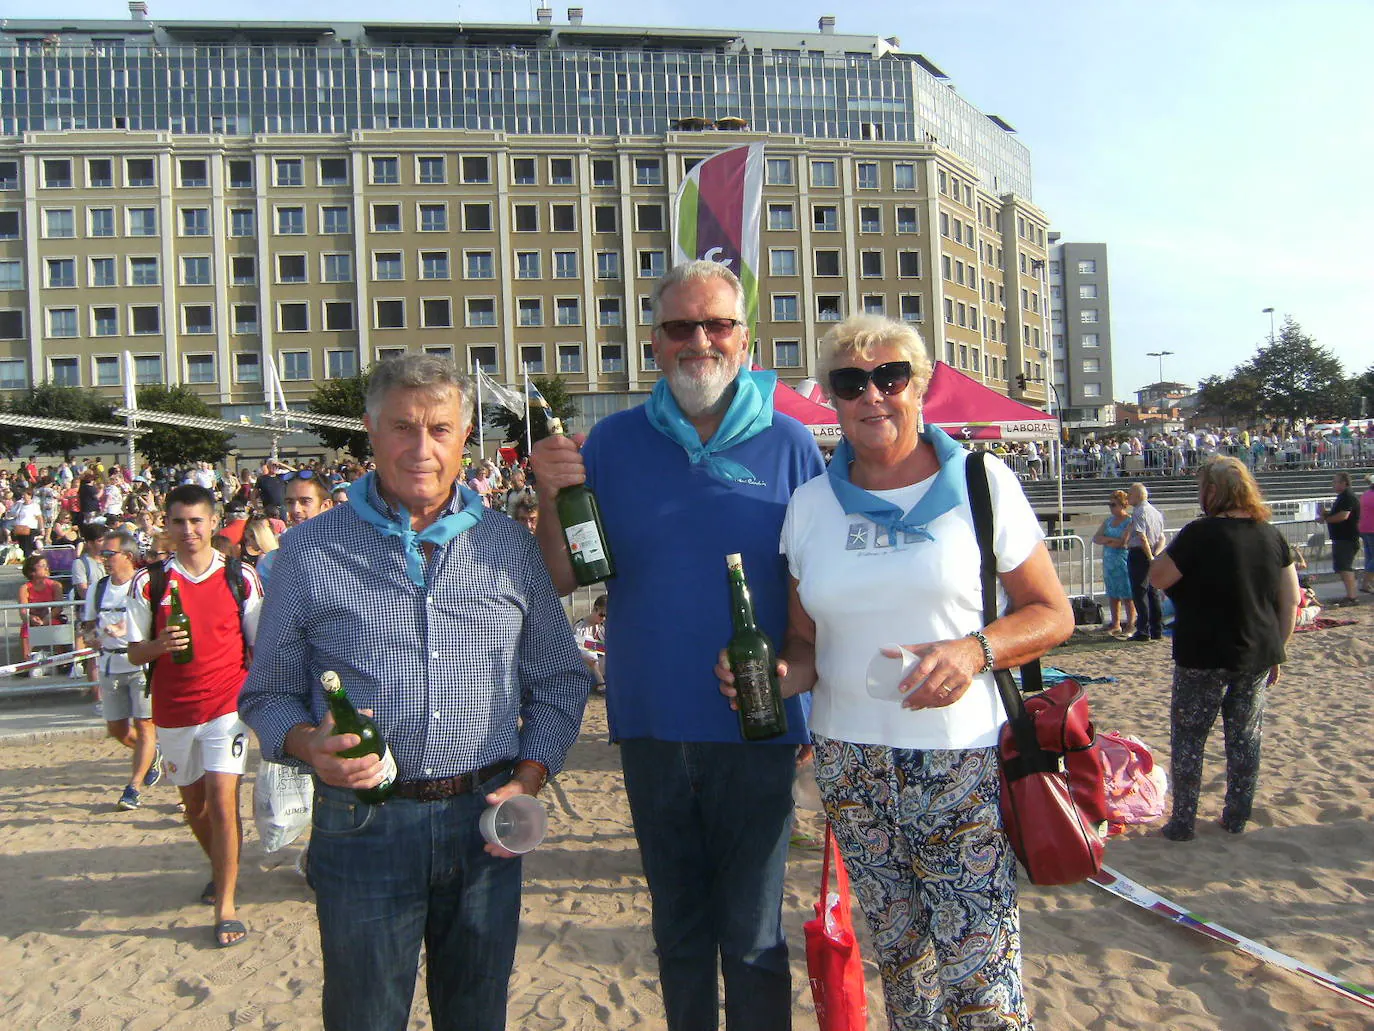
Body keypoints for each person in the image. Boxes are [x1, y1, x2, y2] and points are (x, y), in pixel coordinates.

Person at [718, 315, 1071, 1030]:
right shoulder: (811, 506)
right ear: (833, 396)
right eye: (851, 382)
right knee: (906, 969)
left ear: (921, 385)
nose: (872, 395)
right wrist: (769, 675)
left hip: (962, 760)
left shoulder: (981, 480)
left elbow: (1051, 613)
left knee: (983, 976)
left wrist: (976, 649)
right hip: (852, 764)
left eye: (891, 377)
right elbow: (805, 643)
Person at [240, 355, 593, 1031]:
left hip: (484, 824)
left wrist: (531, 774)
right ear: (370, 430)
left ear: (465, 436)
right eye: (403, 427)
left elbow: (560, 679)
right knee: (364, 1016)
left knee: (476, 1015)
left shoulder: (508, 548)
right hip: (361, 824)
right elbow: (268, 693)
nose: (422, 448)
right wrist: (309, 744)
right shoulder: (308, 551)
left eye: (439, 428)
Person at [530, 260, 822, 1031]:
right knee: (678, 927)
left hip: (757, 728)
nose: (699, 340)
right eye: (680, 327)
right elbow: (562, 574)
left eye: (716, 324)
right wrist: (549, 497)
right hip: (650, 723)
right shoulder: (612, 444)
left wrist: (802, 684)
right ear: (653, 343)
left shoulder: (793, 445)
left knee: (755, 933)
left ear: (746, 339)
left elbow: (814, 602)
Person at [126, 484, 264, 949]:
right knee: (195, 806)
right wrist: (158, 646)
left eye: (197, 521)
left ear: (212, 521)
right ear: (167, 524)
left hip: (226, 705)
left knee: (223, 800)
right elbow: (132, 652)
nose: (189, 530)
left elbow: (259, 644)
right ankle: (219, 868)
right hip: (172, 711)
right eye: (180, 522)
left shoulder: (239, 577)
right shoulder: (150, 582)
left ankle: (226, 904)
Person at [1148, 457, 1299, 840]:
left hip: (1203, 651)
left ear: (1213, 491)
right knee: (1245, 737)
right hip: (1256, 651)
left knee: (1189, 739)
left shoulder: (1200, 533)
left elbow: (1158, 576)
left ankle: (1183, 822)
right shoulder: (1271, 535)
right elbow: (1291, 600)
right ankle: (1236, 816)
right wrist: (1279, 649)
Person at [85, 530, 163, 810]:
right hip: (109, 664)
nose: (104, 559)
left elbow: (154, 623)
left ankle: (133, 787)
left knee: (144, 725)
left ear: (128, 556)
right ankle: (152, 754)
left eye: (109, 554)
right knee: (117, 729)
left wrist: (125, 629)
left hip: (140, 665)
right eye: (103, 554)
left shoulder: (144, 585)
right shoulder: (99, 587)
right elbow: (88, 623)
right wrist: (92, 635)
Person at [255, 470, 334, 586]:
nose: (296, 509)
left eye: (305, 501)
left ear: (326, 506)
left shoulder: (345, 549)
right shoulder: (276, 557)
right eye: (290, 502)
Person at [1124, 481, 1166, 641]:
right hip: (1152, 551)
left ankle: (1143, 629)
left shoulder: (1140, 512)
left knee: (1140, 592)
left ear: (1137, 495)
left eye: (1130, 494)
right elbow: (1161, 537)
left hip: (1140, 554)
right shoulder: (1155, 512)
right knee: (1152, 592)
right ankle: (1157, 629)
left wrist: (1149, 557)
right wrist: (1156, 554)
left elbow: (1142, 537)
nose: (1128, 498)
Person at [1092, 489, 1135, 636]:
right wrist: (1110, 540)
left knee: (1127, 594)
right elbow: (1096, 538)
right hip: (1109, 561)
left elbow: (1123, 542)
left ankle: (1131, 624)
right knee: (1112, 593)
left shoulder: (1129, 521)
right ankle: (1115, 623)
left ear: (1123, 505)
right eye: (1109, 505)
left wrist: (1107, 540)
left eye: (1113, 504)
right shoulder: (1108, 521)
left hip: (1122, 560)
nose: (1111, 508)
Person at [1320, 471, 1360, 606]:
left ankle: (1352, 597)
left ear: (1344, 483)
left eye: (1336, 481)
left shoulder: (1348, 497)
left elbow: (1343, 516)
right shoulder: (1342, 497)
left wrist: (1327, 518)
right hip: (1341, 538)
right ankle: (1350, 595)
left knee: (1345, 568)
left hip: (1347, 538)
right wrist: (1327, 515)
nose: (1333, 484)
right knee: (1342, 568)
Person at [18, 553, 66, 663]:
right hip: (34, 620)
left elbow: (59, 607)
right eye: (42, 565)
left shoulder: (56, 585)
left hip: (51, 617)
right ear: (32, 572)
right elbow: (23, 611)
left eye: (46, 565)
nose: (47, 568)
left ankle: (62, 660)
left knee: (56, 626)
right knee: (26, 629)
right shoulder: (25, 588)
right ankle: (26, 661)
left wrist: (45, 620)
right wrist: (31, 618)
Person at [573, 593, 607, 689]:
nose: (603, 618)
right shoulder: (580, 627)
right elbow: (576, 650)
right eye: (601, 615)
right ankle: (600, 683)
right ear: (595, 609)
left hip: (603, 667)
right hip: (587, 668)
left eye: (605, 616)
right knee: (587, 643)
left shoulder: (602, 627)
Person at [1360, 472, 1374, 595]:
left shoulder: (1366, 495)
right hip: (1372, 529)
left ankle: (1367, 582)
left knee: (1369, 557)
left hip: (1365, 529)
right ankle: (1366, 583)